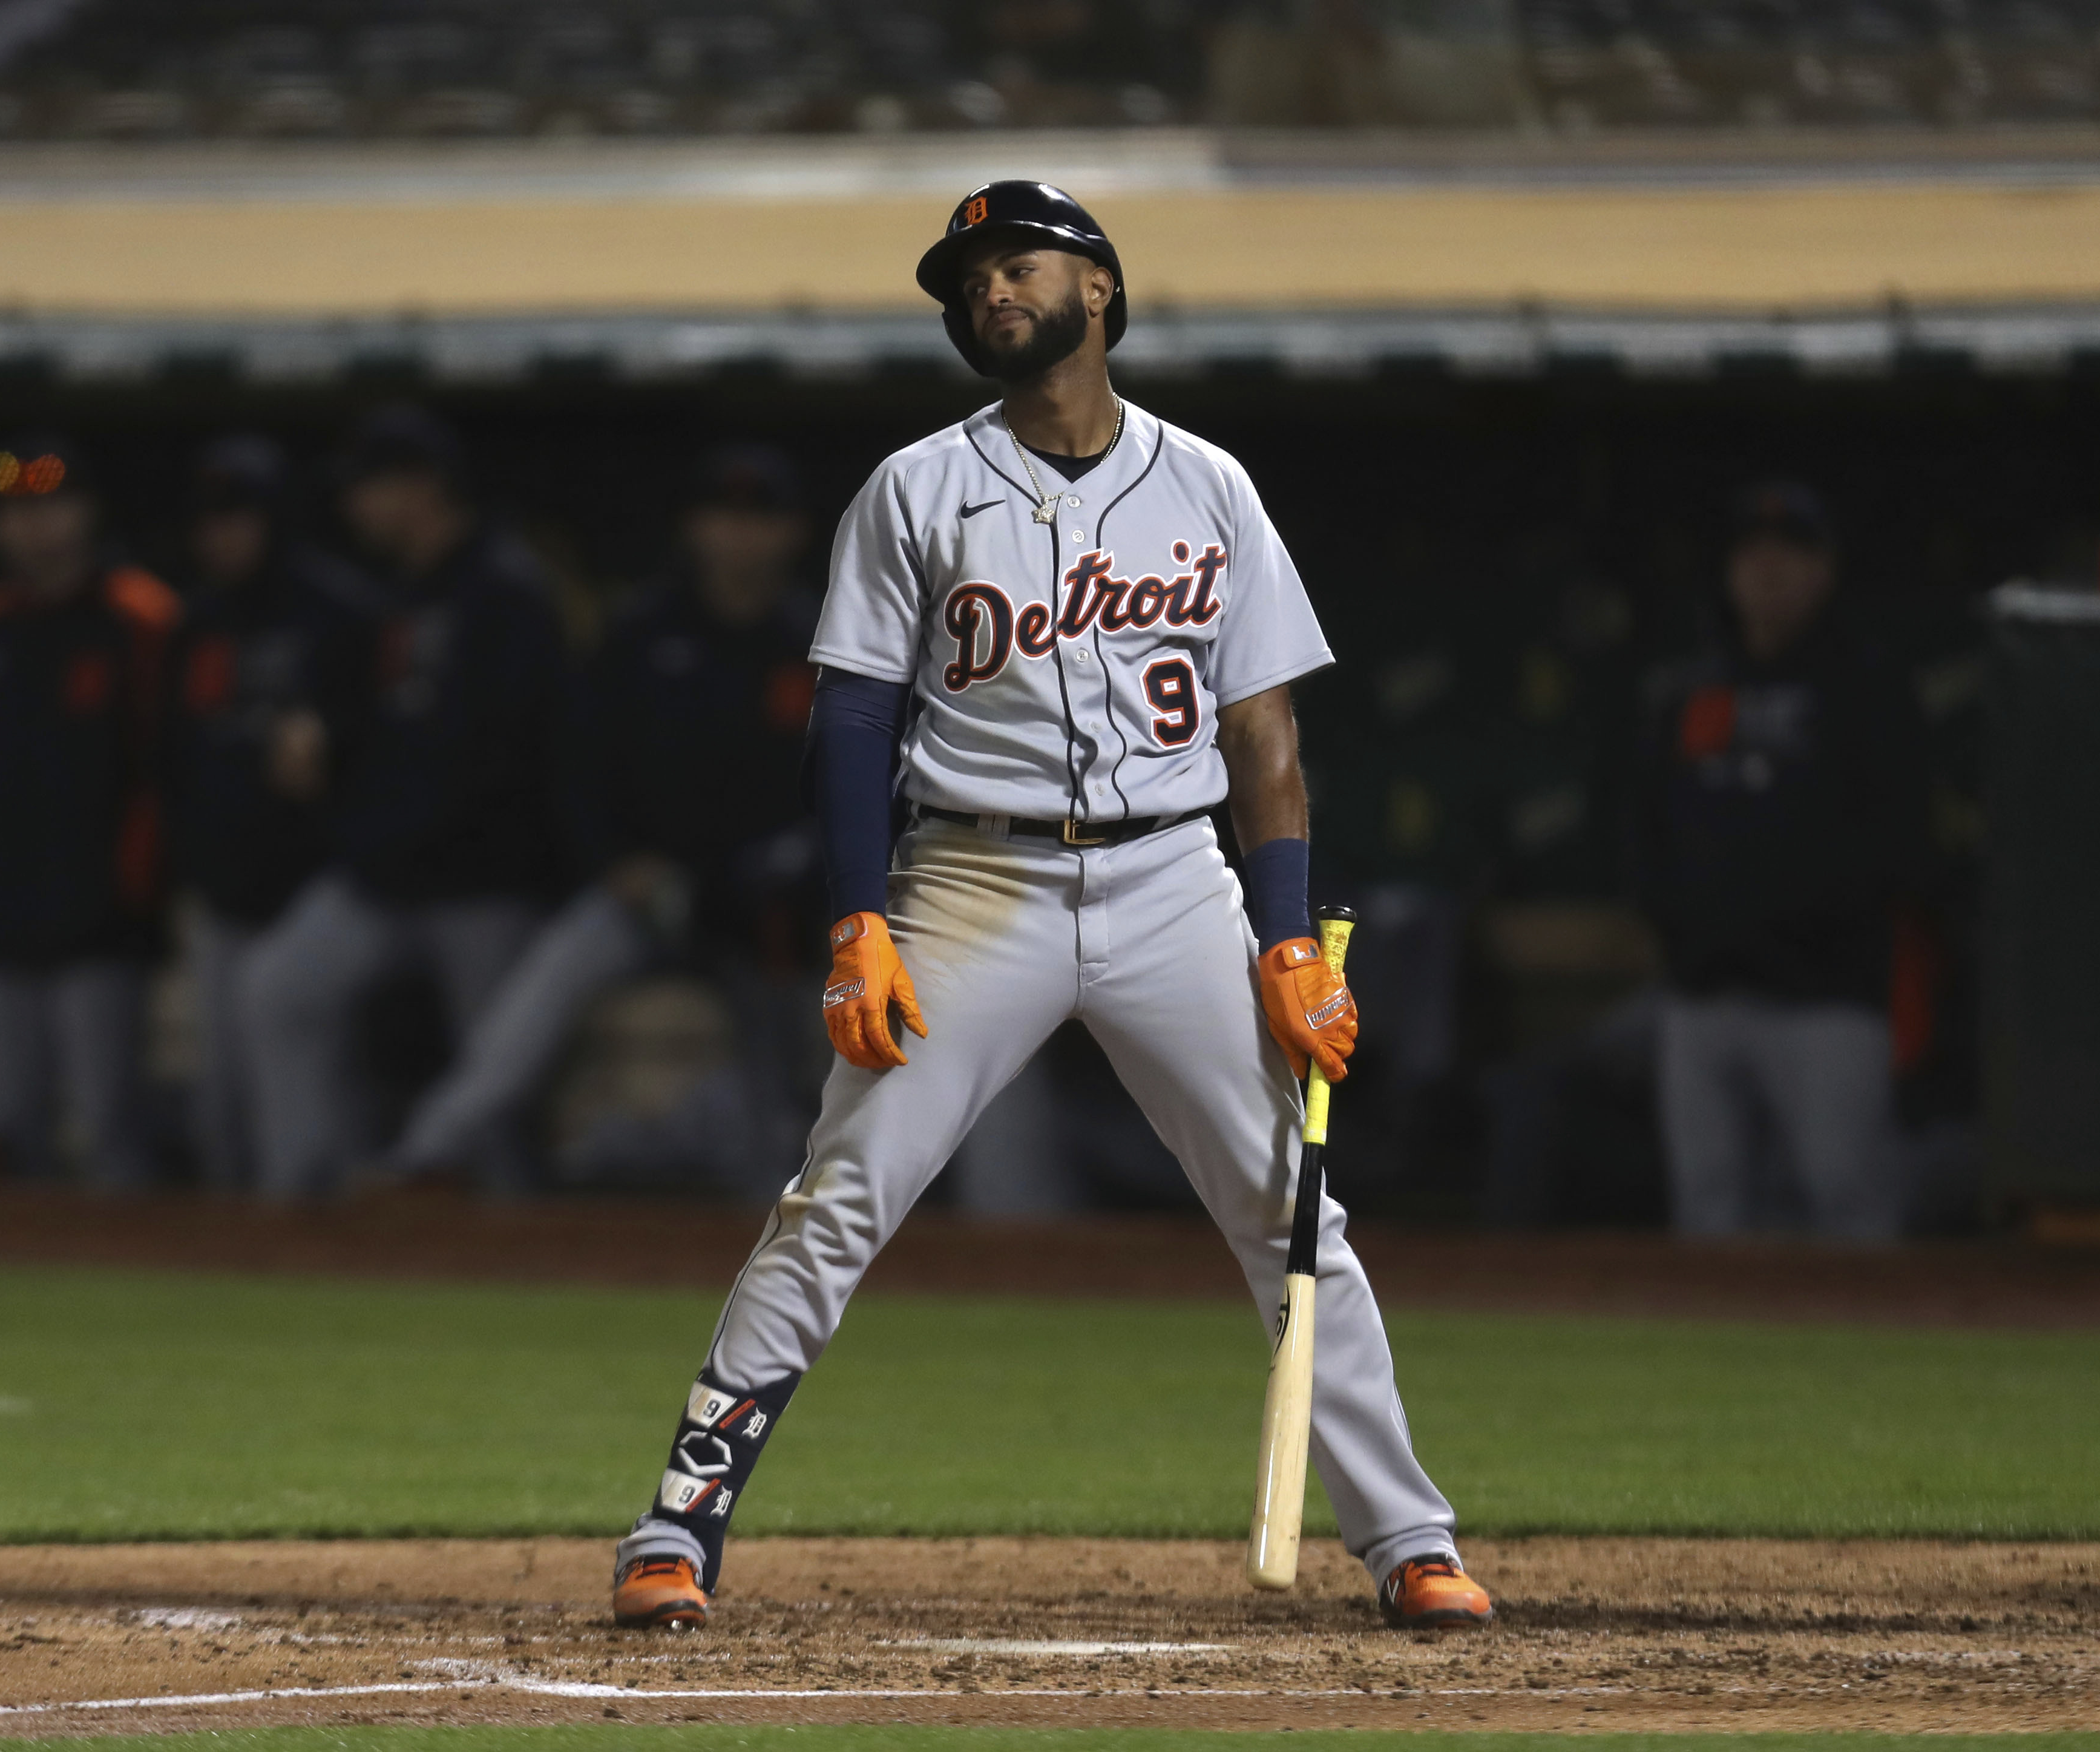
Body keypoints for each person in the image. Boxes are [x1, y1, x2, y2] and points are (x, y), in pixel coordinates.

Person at [606, 182, 1492, 1635]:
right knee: (839, 1194)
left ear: (1100, 286)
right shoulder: (913, 487)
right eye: (969, 280)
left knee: (1292, 1209)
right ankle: (676, 1524)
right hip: (973, 877)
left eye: (1017, 265)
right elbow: (847, 721)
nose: (988, 292)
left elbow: (1263, 736)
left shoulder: (1208, 482)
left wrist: (1278, 932)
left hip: (1170, 877)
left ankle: (1407, 1534)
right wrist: (856, 920)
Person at [392, 443, 827, 1193]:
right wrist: (614, 861)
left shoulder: (824, 641)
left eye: (760, 518)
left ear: (792, 533)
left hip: (764, 914)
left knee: (793, 1071)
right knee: (539, 995)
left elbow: (856, 794)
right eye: (723, 516)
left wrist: (783, 874)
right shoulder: (643, 630)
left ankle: (794, 1222)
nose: (739, 536)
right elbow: (579, 764)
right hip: (644, 891)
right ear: (696, 528)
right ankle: (427, 1157)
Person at [240, 407, 570, 1201]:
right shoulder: (398, 593)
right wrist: (325, 737)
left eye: (367, 488)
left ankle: (526, 1248)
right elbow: (382, 725)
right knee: (279, 984)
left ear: (419, 487)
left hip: (483, 883)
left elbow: (509, 750)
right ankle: (310, 1198)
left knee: (492, 1090)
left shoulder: (507, 590)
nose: (354, 507)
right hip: (388, 878)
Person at [1635, 482, 1928, 1242]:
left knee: (1847, 1209)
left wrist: (1786, 923)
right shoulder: (1693, 688)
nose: (1767, 569)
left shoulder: (1866, 687)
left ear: (1823, 569)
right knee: (1708, 1215)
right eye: (1752, 552)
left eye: (1789, 552)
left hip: (1824, 1000)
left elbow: (1897, 841)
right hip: (1703, 998)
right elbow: (1649, 828)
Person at [0, 434, 179, 1187]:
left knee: (108, 1131)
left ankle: (138, 1294)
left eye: (49, 505)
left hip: (99, 922)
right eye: (14, 510)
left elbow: (166, 770)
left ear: (87, 512)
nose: (31, 525)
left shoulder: (141, 617)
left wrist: (137, 889)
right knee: (11, 1131)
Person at [161, 435, 375, 1192]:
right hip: (222, 892)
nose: (223, 534)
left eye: (239, 516)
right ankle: (238, 1265)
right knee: (222, 1096)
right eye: (209, 519)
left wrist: (333, 741)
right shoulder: (195, 620)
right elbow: (175, 754)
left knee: (311, 1087)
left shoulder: (338, 608)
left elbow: (378, 736)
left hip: (312, 888)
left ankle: (331, 1249)